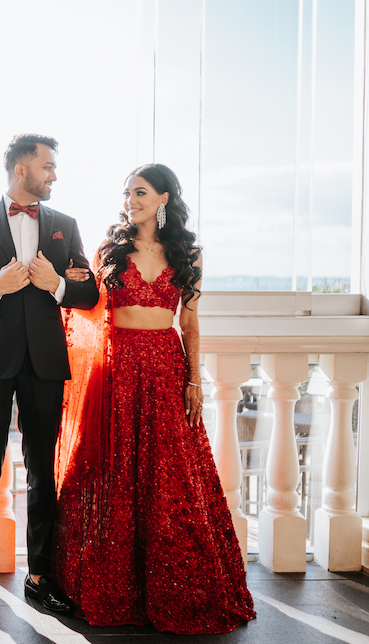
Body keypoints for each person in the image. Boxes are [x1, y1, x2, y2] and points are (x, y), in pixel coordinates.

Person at [53, 163, 255, 634]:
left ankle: (175, 588)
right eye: (127, 193)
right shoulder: (110, 249)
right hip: (116, 368)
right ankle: (103, 584)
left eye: (140, 192)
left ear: (163, 198)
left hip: (166, 368)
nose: (130, 200)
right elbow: (86, 306)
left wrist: (194, 381)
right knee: (111, 472)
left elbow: (190, 325)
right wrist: (68, 280)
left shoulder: (189, 254)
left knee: (170, 476)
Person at [0, 134, 100, 619]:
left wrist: (56, 286)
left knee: (42, 475)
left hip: (46, 364)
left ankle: (40, 576)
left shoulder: (65, 226)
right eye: (47, 166)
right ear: (21, 170)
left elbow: (90, 293)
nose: (54, 174)